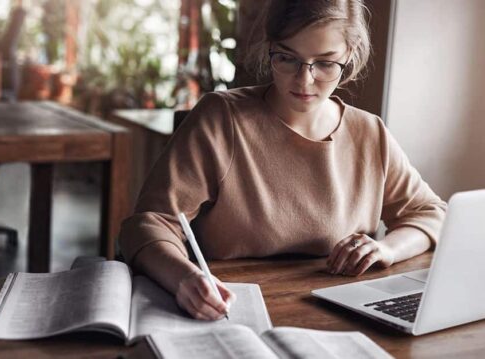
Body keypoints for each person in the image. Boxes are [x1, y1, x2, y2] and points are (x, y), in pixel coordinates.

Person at [119, 0, 446, 321]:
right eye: (287, 58)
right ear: (270, 47)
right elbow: (149, 224)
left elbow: (431, 213)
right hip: (231, 314)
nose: (304, 80)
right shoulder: (221, 118)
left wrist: (388, 249)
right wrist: (185, 278)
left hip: (338, 318)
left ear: (350, 54)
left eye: (326, 63)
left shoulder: (369, 133)